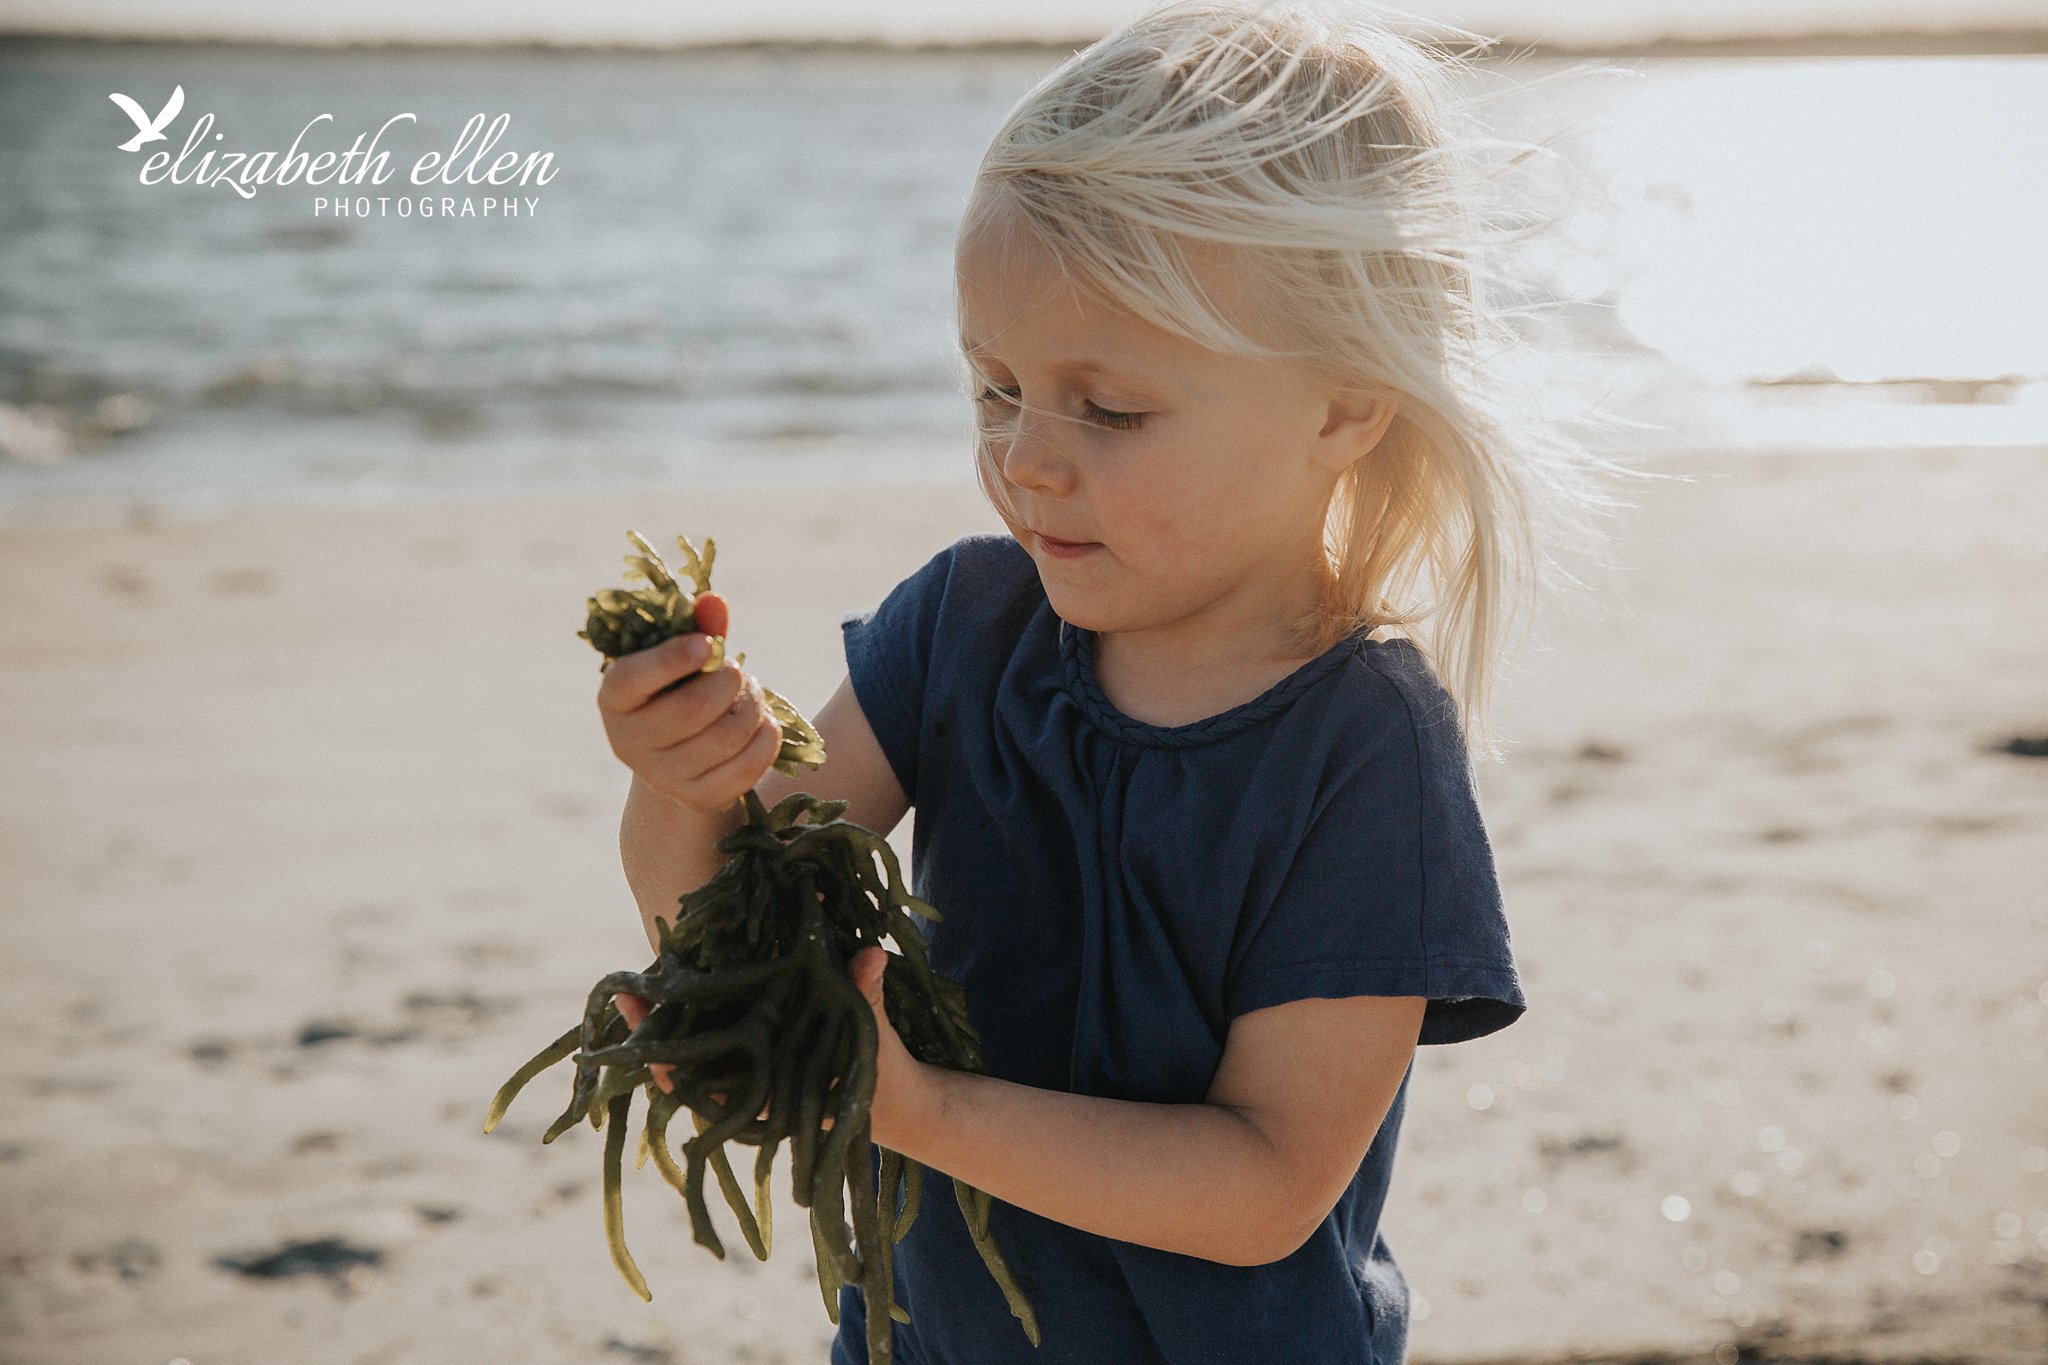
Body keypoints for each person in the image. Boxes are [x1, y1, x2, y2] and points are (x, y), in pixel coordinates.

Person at [601, 2, 1617, 1360]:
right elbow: (739, 906)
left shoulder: (1362, 744)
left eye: (1110, 407)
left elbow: (1266, 1181)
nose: (1028, 458)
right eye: (994, 388)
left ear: (1342, 403)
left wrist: (920, 1109)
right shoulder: (961, 627)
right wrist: (683, 784)